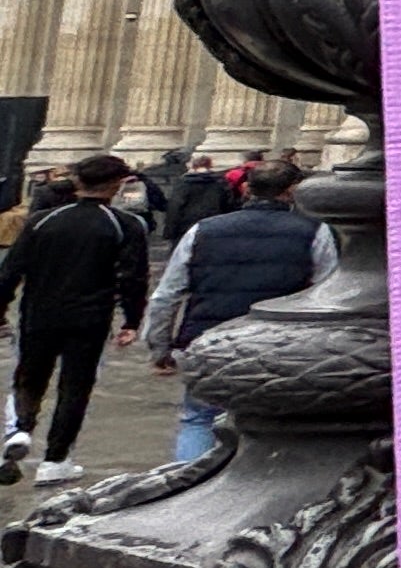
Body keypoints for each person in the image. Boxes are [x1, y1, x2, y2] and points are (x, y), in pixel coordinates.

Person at [145, 163, 336, 461]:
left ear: (247, 189)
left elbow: (166, 296)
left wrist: (160, 347)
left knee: (199, 420)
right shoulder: (315, 232)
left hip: (206, 340)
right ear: (291, 192)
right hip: (278, 345)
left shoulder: (202, 231)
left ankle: (187, 488)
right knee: (273, 426)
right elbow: (326, 295)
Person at [0, 154, 149, 484]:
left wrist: (0, 308)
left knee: (29, 375)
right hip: (90, 318)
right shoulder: (125, 225)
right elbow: (133, 278)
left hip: (39, 313)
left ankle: (20, 430)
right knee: (75, 386)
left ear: (78, 182)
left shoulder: (41, 220)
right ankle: (56, 459)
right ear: (116, 185)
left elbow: (10, 271)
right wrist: (131, 321)